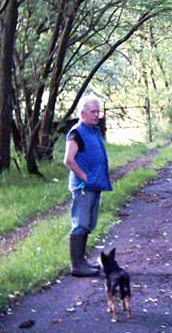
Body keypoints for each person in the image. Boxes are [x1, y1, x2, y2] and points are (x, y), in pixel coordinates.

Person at [63, 95, 112, 277]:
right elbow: (68, 160)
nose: (97, 115)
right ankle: (77, 266)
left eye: (98, 111)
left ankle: (82, 261)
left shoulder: (93, 130)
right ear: (83, 114)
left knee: (89, 223)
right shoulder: (76, 132)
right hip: (83, 186)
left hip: (94, 185)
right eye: (93, 112)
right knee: (81, 223)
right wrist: (85, 177)